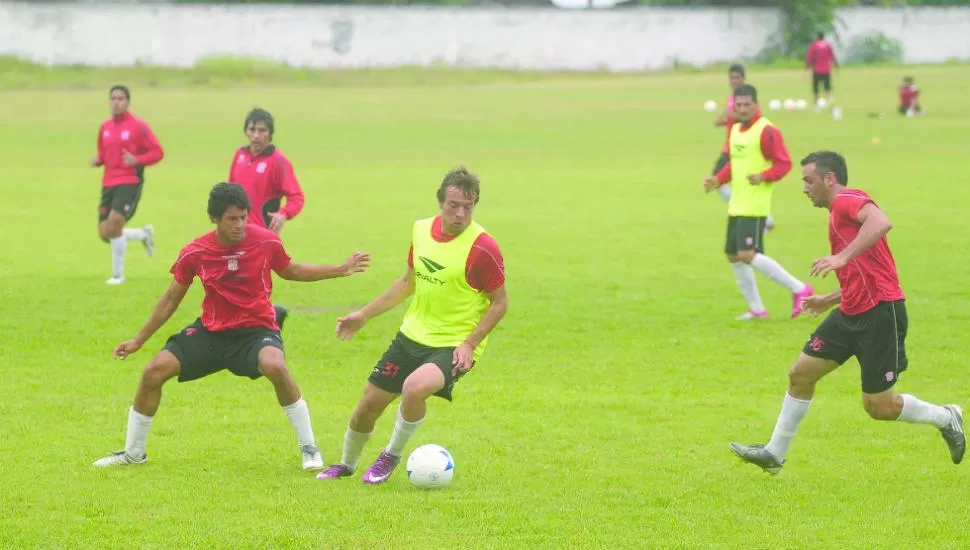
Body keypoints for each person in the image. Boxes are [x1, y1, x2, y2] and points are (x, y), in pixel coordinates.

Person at [92, 182, 371, 471]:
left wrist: (341, 269)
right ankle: (133, 453)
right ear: (214, 218)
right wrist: (138, 340)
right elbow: (170, 299)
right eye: (231, 219)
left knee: (276, 366)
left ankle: (309, 448)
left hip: (256, 331)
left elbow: (292, 271)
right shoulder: (196, 252)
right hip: (211, 333)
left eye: (243, 217)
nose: (239, 225)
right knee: (154, 371)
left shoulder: (266, 242)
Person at [730, 151, 965, 474]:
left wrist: (841, 257)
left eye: (809, 180)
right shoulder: (836, 214)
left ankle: (946, 417)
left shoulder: (845, 199)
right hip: (850, 311)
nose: (805, 188)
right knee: (801, 374)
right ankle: (774, 454)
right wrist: (829, 299)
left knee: (879, 406)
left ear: (829, 178)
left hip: (880, 314)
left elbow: (881, 222)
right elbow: (869, 271)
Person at [316, 167, 508, 485]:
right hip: (412, 335)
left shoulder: (483, 248)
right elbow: (408, 282)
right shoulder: (420, 231)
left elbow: (500, 303)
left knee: (414, 388)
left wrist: (470, 343)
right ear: (440, 201)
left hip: (454, 344)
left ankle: (390, 455)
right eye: (454, 205)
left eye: (468, 206)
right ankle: (346, 465)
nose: (461, 214)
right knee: (367, 407)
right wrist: (363, 315)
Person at [703, 84, 813, 321]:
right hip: (737, 203)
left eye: (747, 105)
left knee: (746, 253)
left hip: (755, 204)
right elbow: (734, 165)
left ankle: (800, 289)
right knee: (733, 254)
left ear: (756, 105)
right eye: (738, 105)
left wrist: (763, 176)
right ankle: (757, 309)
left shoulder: (767, 131)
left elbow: (784, 163)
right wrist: (718, 179)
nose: (742, 109)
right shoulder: (735, 130)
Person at [228, 107, 306, 329]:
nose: (256, 135)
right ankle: (268, 318)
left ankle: (264, 325)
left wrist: (283, 213)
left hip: (260, 236)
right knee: (234, 285)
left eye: (262, 130)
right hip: (235, 233)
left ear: (270, 134)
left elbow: (296, 197)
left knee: (248, 285)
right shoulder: (240, 156)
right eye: (252, 129)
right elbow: (230, 190)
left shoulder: (278, 161)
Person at [90, 85, 164, 285]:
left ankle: (118, 276)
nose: (116, 102)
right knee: (105, 233)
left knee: (115, 223)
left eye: (121, 99)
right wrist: (98, 160)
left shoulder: (138, 126)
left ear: (128, 102)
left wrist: (137, 160)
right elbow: (104, 153)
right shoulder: (105, 127)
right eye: (113, 98)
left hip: (129, 181)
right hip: (109, 183)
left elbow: (157, 152)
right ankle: (142, 234)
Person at [711, 66, 776, 231]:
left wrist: (731, 115)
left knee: (729, 183)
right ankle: (756, 215)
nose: (734, 81)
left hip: (744, 148)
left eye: (737, 78)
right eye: (731, 78)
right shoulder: (732, 98)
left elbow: (754, 118)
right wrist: (722, 120)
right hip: (730, 147)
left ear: (743, 78)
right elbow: (730, 119)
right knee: (719, 181)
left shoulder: (748, 99)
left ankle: (763, 217)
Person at [805, 32, 838, 110]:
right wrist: (836, 65)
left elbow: (810, 58)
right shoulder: (828, 45)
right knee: (827, 87)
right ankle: (831, 101)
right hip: (826, 70)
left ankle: (816, 105)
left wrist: (807, 67)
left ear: (817, 37)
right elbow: (832, 56)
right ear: (823, 37)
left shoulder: (814, 45)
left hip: (817, 70)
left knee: (816, 88)